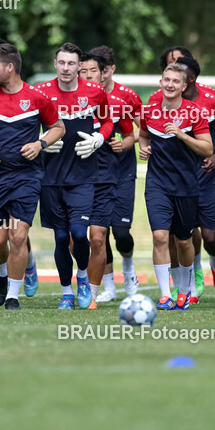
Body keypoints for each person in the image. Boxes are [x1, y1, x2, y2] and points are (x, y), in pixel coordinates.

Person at [0, 44, 64, 310]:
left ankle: (12, 295)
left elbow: (58, 128)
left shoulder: (37, 97)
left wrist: (40, 144)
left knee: (18, 237)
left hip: (26, 177)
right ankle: (1, 272)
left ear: (10, 67)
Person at [34, 43, 112, 309]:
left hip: (83, 175)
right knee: (59, 238)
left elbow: (109, 121)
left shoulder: (95, 92)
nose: (66, 68)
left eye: (71, 64)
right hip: (50, 176)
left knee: (79, 234)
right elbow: (27, 123)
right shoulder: (41, 92)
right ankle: (66, 292)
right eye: (61, 63)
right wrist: (41, 139)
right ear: (55, 64)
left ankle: (82, 276)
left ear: (79, 66)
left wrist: (100, 137)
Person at [139, 63, 213, 311]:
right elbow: (143, 134)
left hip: (186, 186)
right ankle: (164, 295)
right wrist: (143, 147)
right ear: (160, 82)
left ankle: (184, 291)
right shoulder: (148, 111)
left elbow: (208, 149)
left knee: (183, 241)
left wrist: (182, 135)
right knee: (160, 237)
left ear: (184, 86)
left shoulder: (194, 113)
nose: (169, 84)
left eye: (175, 81)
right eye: (166, 80)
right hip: (157, 184)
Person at [79, 47, 135, 303]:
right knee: (95, 235)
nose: (90, 75)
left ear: (107, 71)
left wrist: (125, 143)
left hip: (121, 173)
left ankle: (130, 271)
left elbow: (138, 131)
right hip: (88, 176)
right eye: (85, 71)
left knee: (120, 233)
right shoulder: (76, 98)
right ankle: (108, 286)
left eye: (94, 70)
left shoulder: (124, 98)